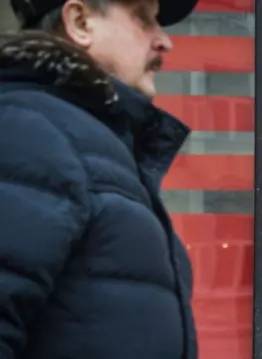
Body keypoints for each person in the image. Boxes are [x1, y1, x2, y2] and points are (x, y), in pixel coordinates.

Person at [0, 0, 197, 358]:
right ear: (80, 22)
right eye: (142, 17)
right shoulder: (30, 132)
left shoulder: (89, 143)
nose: (164, 41)